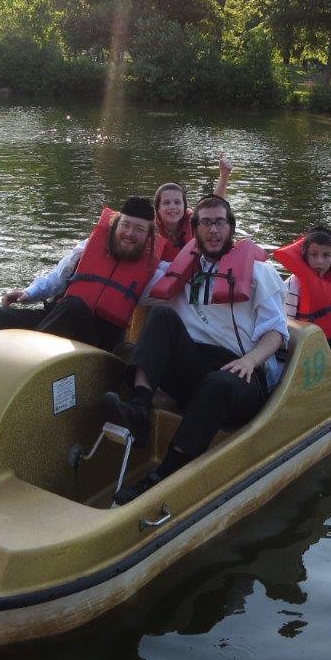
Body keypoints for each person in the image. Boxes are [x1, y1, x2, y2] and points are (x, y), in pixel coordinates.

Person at [102, 195, 288, 504]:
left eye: (220, 222)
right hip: (195, 369)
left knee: (217, 383)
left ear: (231, 228)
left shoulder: (259, 273)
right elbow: (125, 266)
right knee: (161, 316)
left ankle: (164, 474)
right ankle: (138, 409)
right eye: (205, 223)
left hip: (239, 376)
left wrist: (251, 360)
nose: (213, 230)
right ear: (195, 228)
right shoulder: (179, 270)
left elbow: (276, 333)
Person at [0, 197, 163, 353]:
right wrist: (29, 293)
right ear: (115, 225)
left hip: (96, 341)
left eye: (139, 229)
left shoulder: (153, 273)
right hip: (54, 319)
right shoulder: (87, 248)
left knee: (74, 306)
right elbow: (58, 276)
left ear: (148, 237)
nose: (129, 233)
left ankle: (21, 357)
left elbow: (180, 296)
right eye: (125, 225)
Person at [273, 226, 331, 360]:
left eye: (326, 255)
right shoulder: (293, 284)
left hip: (325, 343)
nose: (320, 261)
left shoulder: (330, 280)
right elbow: (287, 326)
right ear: (305, 255)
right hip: (303, 347)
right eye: (314, 255)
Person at [154, 154, 234, 260]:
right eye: (166, 203)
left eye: (177, 202)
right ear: (158, 208)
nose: (172, 207)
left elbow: (214, 204)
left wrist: (224, 175)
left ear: (184, 207)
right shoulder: (148, 227)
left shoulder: (194, 221)